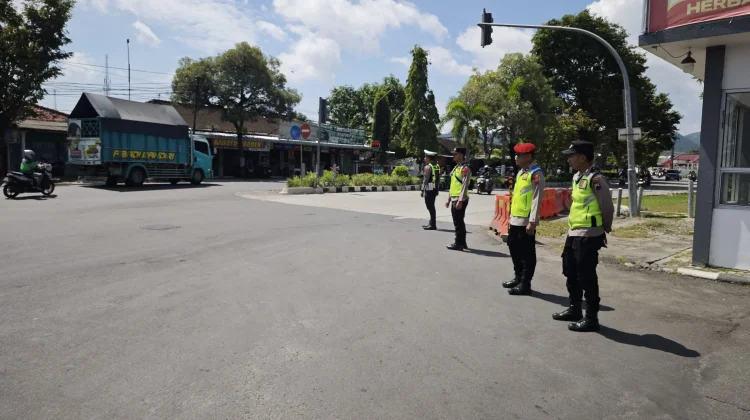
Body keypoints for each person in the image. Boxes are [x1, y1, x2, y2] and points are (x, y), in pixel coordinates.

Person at [552, 141, 615, 332]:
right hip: (574, 232)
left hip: (589, 233)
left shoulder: (596, 179)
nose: (569, 159)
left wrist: (605, 228)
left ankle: (591, 318)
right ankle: (575, 309)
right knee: (570, 270)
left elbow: (607, 206)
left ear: (582, 157)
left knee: (586, 276)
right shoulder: (577, 177)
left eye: (572, 155)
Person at [504, 143, 544, 296]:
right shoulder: (521, 173)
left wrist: (532, 221)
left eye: (519, 155)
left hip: (526, 220)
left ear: (528, 156)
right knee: (513, 247)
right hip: (515, 219)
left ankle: (525, 283)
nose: (516, 158)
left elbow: (536, 198)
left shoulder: (536, 173)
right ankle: (518, 277)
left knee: (527, 253)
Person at [445, 147, 471, 250]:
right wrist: (448, 199)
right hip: (454, 198)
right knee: (458, 221)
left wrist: (460, 200)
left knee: (458, 222)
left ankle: (458, 243)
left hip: (460, 199)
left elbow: (464, 185)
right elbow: (453, 185)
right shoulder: (456, 168)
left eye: (455, 154)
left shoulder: (465, 168)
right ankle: (462, 243)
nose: (454, 156)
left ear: (461, 155)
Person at [421, 150, 440, 230]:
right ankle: (431, 223)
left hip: (429, 189)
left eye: (426, 157)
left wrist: (422, 190)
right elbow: (438, 179)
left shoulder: (428, 167)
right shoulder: (436, 166)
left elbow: (425, 180)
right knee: (432, 206)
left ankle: (432, 224)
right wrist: (437, 189)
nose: (425, 158)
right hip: (434, 188)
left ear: (429, 158)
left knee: (430, 206)